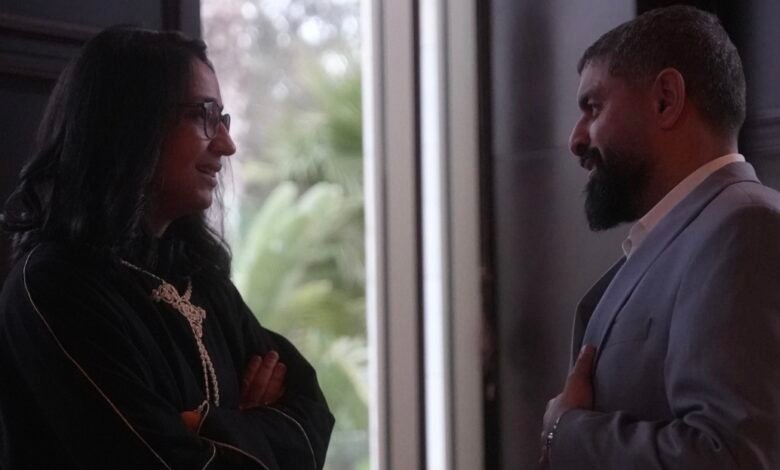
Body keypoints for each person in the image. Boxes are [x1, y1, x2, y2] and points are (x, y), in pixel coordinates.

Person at [0, 26, 334, 469]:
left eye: (223, 119)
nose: (226, 144)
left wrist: (210, 427)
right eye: (204, 115)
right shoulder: (53, 287)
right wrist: (253, 426)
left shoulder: (200, 279)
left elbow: (312, 412)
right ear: (132, 122)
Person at [539, 6, 780, 469]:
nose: (575, 139)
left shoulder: (745, 229)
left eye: (593, 107)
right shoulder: (694, 235)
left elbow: (732, 457)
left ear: (666, 100)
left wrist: (565, 431)